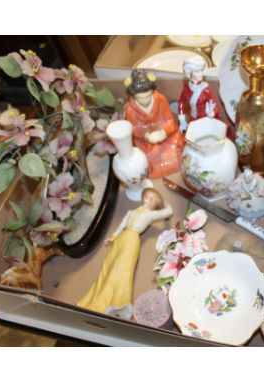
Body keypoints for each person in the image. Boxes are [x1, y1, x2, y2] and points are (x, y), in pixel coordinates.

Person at [77, 188, 173, 320]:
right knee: (107, 268)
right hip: (122, 238)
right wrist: (114, 236)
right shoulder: (132, 212)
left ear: (156, 204)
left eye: (153, 199)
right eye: (148, 197)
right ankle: (95, 300)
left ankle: (119, 303)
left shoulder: (150, 215)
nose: (149, 200)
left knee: (123, 270)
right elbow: (122, 225)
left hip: (132, 240)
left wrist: (167, 206)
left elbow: (168, 212)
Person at [124, 69, 184, 178]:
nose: (145, 100)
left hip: (166, 137)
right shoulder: (130, 108)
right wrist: (146, 135)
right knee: (147, 159)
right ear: (134, 96)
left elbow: (170, 120)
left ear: (152, 92)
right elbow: (133, 128)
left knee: (176, 149)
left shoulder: (160, 99)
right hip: (145, 141)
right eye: (140, 98)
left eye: (148, 96)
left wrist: (164, 131)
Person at [178, 56, 220, 132]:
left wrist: (212, 112)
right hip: (192, 118)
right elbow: (181, 102)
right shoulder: (186, 88)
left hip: (205, 119)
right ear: (190, 74)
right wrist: (182, 117)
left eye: (201, 70)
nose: (201, 74)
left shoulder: (206, 90)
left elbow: (215, 105)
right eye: (197, 72)